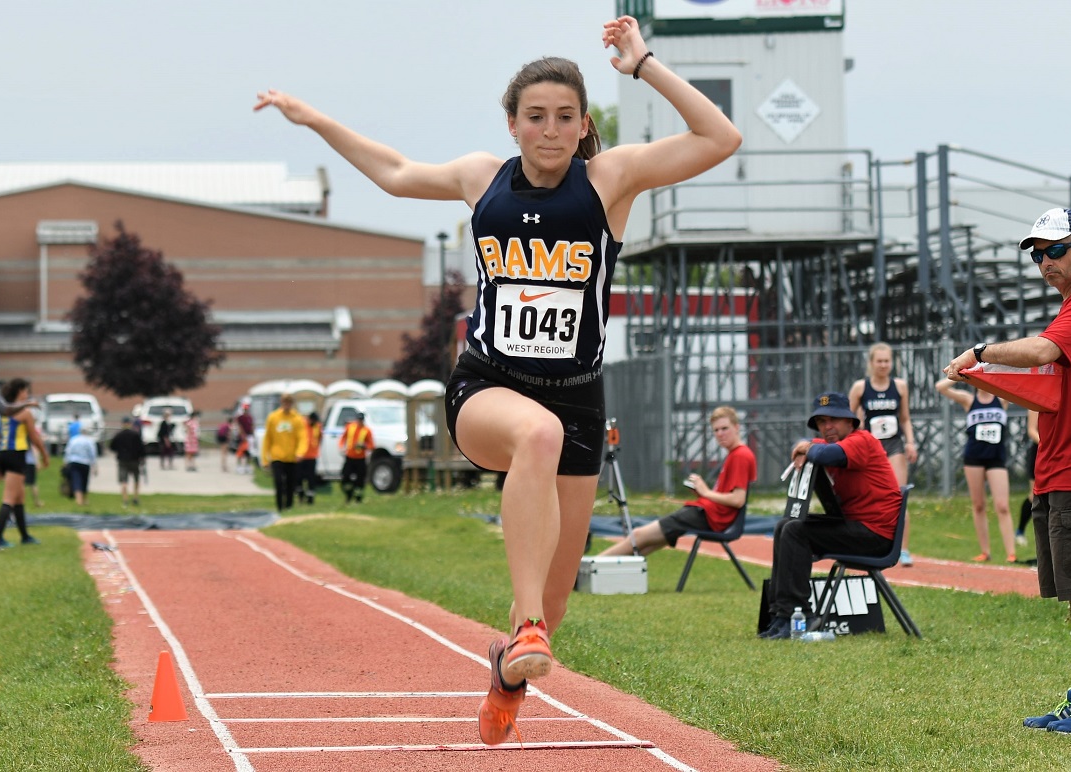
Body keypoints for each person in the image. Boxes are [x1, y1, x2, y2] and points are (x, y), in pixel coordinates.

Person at [257, 14, 740, 746]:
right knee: (535, 438)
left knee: (559, 594)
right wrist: (314, 118)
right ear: (512, 123)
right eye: (535, 116)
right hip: (487, 386)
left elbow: (719, 138)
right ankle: (527, 625)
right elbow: (393, 173)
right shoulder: (481, 178)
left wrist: (643, 64)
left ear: (584, 126)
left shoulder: (608, 181)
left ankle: (511, 666)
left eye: (566, 116)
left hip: (577, 396)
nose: (550, 130)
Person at [944, 207, 1071, 734]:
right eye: (1037, 255)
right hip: (1060, 466)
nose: (1045, 262)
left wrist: (980, 353)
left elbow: (1044, 351)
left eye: (1055, 250)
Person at [760, 392, 902, 639]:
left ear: (849, 422)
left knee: (795, 531)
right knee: (786, 524)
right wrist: (806, 445)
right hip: (857, 526)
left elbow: (826, 454)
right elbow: (810, 444)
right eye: (822, 421)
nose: (827, 426)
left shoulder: (862, 440)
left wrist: (808, 447)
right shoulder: (832, 443)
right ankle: (782, 615)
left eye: (834, 420)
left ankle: (800, 615)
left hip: (876, 535)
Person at [598, 406, 756, 557]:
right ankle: (608, 570)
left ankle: (588, 566)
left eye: (725, 428)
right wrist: (702, 492)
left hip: (711, 517)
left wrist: (706, 492)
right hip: (709, 514)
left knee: (638, 535)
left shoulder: (740, 455)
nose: (720, 434)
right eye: (716, 430)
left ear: (737, 427)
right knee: (649, 543)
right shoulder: (736, 454)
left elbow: (738, 500)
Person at [849, 342, 918, 566]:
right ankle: (869, 544)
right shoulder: (860, 388)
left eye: (886, 361)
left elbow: (905, 418)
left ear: (891, 363)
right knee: (868, 496)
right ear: (871, 363)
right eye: (879, 361)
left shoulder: (900, 386)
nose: (883, 365)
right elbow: (848, 420)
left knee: (899, 495)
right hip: (870, 448)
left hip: (894, 445)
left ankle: (904, 549)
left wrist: (911, 442)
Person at [934, 379, 1016, 563]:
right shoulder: (969, 400)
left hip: (996, 457)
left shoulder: (1001, 398)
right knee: (978, 505)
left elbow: (1018, 385)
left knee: (1002, 505)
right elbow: (940, 387)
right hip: (974, 457)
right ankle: (985, 551)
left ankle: (1011, 553)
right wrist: (963, 374)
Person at [0, 378, 49, 549]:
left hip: (3, 454)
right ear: (19, 391)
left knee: (19, 497)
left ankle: (25, 536)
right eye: (25, 390)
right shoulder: (25, 413)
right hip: (16, 455)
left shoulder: (4, 411)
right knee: (9, 498)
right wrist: (45, 455)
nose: (27, 394)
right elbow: (34, 437)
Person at [261, 394, 308, 512]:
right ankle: (279, 506)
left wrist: (300, 452)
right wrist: (265, 458)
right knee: (278, 482)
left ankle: (289, 506)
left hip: (292, 457)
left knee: (290, 483)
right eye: (285, 402)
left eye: (289, 402)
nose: (287, 405)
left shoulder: (297, 419)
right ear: (281, 403)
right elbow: (267, 439)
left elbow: (302, 438)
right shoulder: (273, 417)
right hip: (277, 456)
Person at [109, 416, 145, 507]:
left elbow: (112, 446)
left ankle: (125, 499)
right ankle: (135, 497)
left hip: (122, 460)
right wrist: (142, 458)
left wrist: (120, 451)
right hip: (134, 460)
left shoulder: (118, 435)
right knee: (136, 479)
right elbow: (141, 448)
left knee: (124, 481)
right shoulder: (135, 435)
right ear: (130, 424)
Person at [1016, 409, 1039, 546]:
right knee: (1034, 496)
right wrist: (1050, 445)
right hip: (1042, 451)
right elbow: (1032, 431)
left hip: (1061, 452)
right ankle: (1020, 531)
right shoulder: (1036, 404)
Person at [338, 411, 373, 504]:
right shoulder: (350, 427)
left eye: (361, 420)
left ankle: (358, 498)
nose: (359, 422)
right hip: (350, 457)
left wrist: (363, 446)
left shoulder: (367, 430)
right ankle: (349, 494)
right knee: (345, 477)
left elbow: (371, 445)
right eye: (358, 420)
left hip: (360, 458)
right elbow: (343, 438)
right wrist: (341, 446)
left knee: (360, 479)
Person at [63, 429, 98, 506]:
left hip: (74, 462)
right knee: (84, 481)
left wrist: (65, 462)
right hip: (85, 462)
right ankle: (84, 499)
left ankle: (78, 500)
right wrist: (94, 465)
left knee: (76, 480)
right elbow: (92, 453)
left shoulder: (73, 440)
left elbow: (68, 451)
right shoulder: (89, 441)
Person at [298, 411, 322, 505]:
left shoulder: (318, 426)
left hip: (312, 456)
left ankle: (310, 498)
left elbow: (319, 438)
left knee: (311, 478)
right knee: (299, 477)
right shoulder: (302, 424)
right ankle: (300, 495)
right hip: (301, 456)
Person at [235, 402, 254, 474]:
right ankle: (239, 466)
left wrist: (252, 434)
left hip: (249, 436)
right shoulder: (240, 417)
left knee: (249, 453)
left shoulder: (250, 417)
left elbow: (252, 426)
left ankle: (247, 466)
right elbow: (239, 427)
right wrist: (243, 435)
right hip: (242, 437)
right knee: (240, 452)